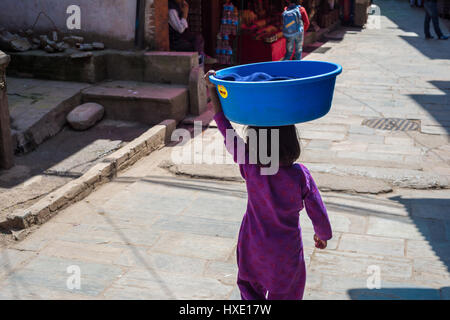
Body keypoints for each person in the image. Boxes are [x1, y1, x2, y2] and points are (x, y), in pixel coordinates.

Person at [204, 70, 332, 300]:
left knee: (249, 287)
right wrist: (322, 234)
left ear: (255, 145)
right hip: (286, 251)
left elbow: (226, 129)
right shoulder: (301, 175)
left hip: (253, 246)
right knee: (287, 291)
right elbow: (317, 210)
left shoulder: (251, 167)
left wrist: (213, 89)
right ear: (292, 142)